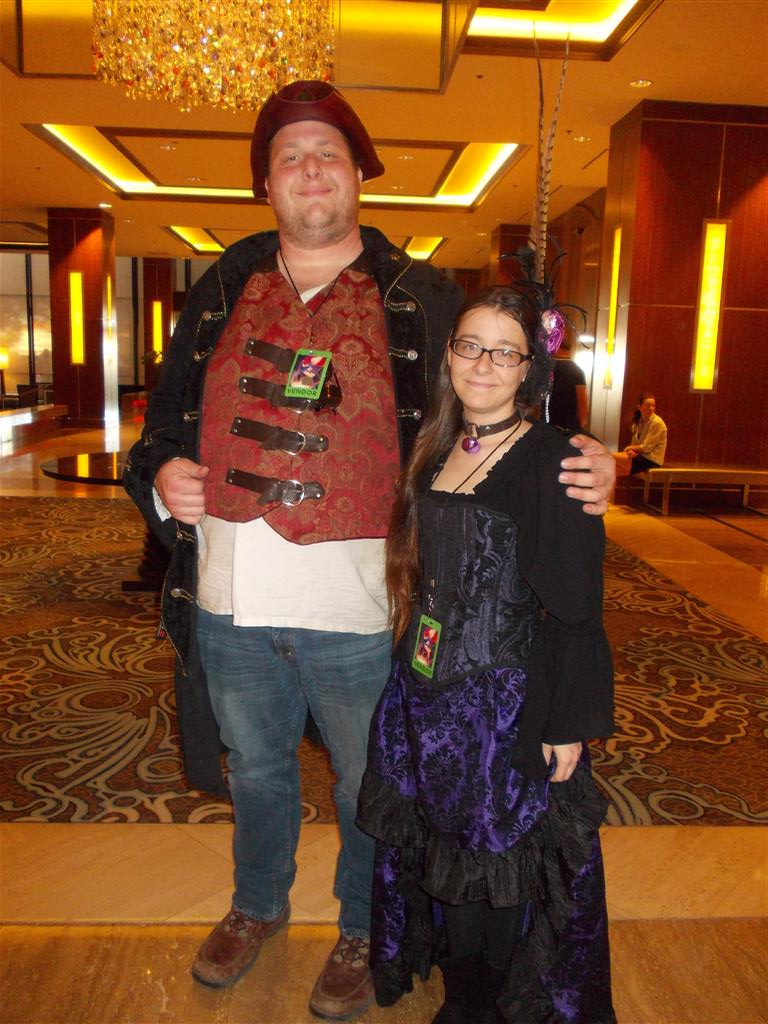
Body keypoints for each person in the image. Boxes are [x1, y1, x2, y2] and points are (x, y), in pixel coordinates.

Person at [123, 80, 617, 1022]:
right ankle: (257, 903)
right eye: (289, 157)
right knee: (255, 768)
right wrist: (162, 477)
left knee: (369, 782)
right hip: (228, 596)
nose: (310, 170)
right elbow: (159, 431)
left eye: (328, 155)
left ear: (358, 176)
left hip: (364, 606)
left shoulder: (420, 297)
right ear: (266, 183)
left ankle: (362, 924)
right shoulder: (220, 289)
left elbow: (498, 396)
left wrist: (582, 458)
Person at [357, 286, 616, 1023]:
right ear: (449, 355)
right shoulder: (438, 443)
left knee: (503, 866)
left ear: (530, 369)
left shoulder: (552, 458)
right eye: (470, 345)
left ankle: (494, 1005)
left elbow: (574, 602)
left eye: (505, 353)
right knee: (446, 859)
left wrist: (565, 724)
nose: (483, 364)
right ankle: (464, 995)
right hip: (425, 697)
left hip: (504, 708)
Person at [614, 392, 668, 476]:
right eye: (648, 405)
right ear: (639, 407)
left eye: (653, 405)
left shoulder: (657, 423)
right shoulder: (638, 422)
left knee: (610, 456)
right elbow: (635, 444)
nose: (651, 408)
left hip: (651, 460)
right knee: (612, 469)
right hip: (640, 457)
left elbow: (647, 448)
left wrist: (629, 448)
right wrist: (632, 451)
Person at [548, 335, 589, 432]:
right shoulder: (577, 371)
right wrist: (581, 426)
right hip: (568, 427)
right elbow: (582, 401)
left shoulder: (547, 369)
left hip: (547, 424)